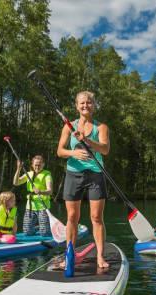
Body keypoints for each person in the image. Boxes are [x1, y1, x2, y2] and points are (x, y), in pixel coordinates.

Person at [56, 90, 110, 269]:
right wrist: (74, 153)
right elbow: (60, 151)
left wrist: (86, 140)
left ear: (94, 105)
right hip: (74, 174)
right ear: (76, 106)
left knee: (96, 217)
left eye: (89, 102)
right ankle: (69, 255)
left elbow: (104, 150)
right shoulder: (68, 126)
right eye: (82, 103)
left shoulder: (101, 127)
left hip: (95, 174)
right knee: (72, 216)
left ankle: (100, 257)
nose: (85, 105)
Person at [13, 155, 52, 237]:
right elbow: (16, 183)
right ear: (32, 165)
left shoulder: (47, 175)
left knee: (45, 233)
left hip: (43, 206)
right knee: (27, 232)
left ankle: (44, 228)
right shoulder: (28, 174)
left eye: (39, 164)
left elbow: (50, 191)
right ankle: (39, 227)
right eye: (35, 164)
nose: (37, 166)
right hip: (30, 206)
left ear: (43, 164)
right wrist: (18, 169)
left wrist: (40, 191)